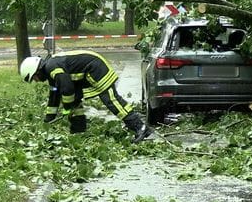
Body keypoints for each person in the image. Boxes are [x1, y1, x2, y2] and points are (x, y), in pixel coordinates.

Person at [19, 50, 154, 143]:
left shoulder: (53, 68)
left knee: (111, 100)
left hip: (96, 69)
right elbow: (54, 95)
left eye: (34, 77)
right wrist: (48, 120)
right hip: (86, 74)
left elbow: (67, 89)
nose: (36, 80)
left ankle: (140, 127)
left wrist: (67, 108)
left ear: (36, 71)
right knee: (75, 100)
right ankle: (78, 129)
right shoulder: (51, 72)